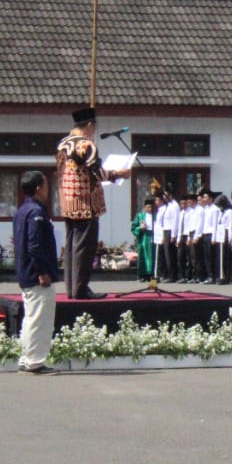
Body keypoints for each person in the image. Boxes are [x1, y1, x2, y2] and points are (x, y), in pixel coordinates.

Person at [55, 106, 131, 298]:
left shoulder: (63, 143)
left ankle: (71, 288)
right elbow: (96, 172)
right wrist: (117, 174)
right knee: (85, 249)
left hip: (67, 201)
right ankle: (81, 289)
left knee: (72, 247)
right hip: (85, 202)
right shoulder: (86, 145)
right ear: (90, 125)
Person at [13, 170, 61, 374]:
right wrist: (42, 271)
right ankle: (35, 361)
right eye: (47, 186)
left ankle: (27, 357)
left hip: (26, 271)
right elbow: (34, 244)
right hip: (36, 274)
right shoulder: (36, 212)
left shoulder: (22, 210)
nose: (49, 190)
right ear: (39, 188)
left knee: (31, 317)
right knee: (40, 319)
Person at [131, 198, 155, 281]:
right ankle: (142, 275)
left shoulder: (155, 216)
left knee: (152, 256)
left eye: (151, 207)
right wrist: (140, 228)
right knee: (143, 256)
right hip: (144, 237)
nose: (150, 209)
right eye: (148, 207)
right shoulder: (140, 216)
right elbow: (133, 228)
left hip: (152, 236)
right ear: (145, 207)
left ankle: (150, 274)